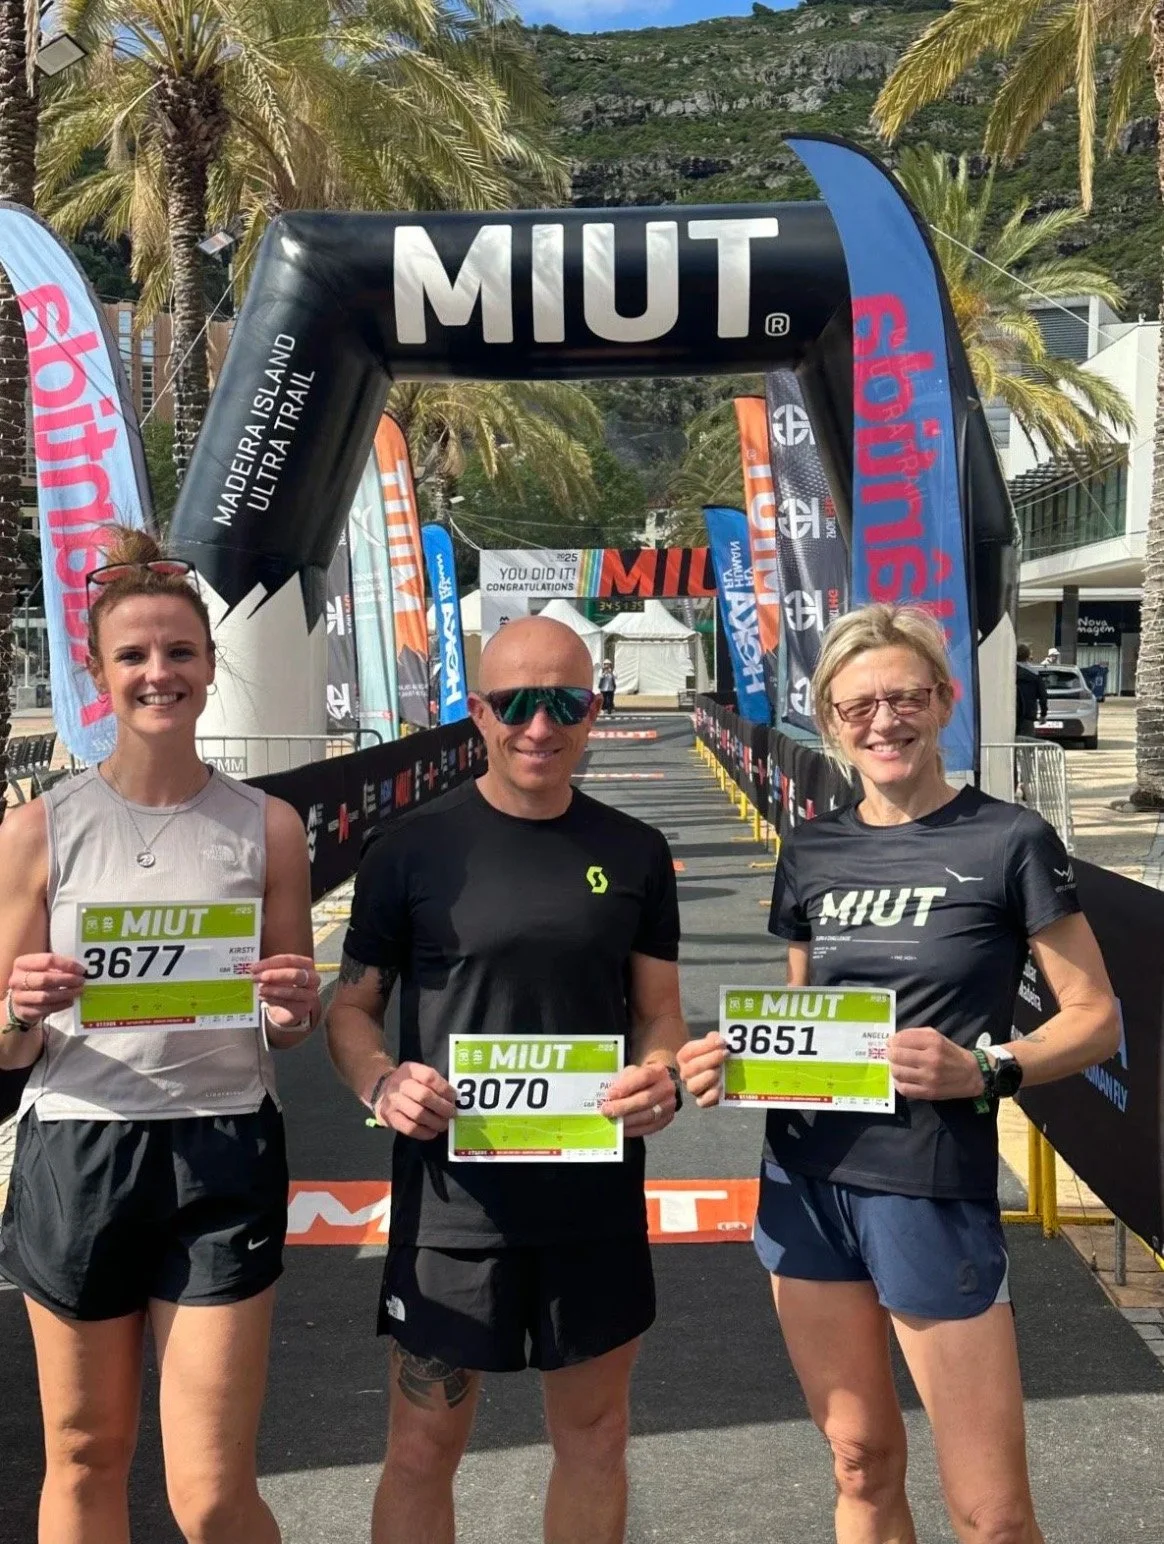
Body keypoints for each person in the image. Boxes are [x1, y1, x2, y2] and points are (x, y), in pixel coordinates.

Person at [678, 603, 1118, 1544]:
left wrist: (986, 1067)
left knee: (992, 1514)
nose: (884, 721)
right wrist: (737, 1061)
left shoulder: (1010, 840)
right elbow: (803, 1015)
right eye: (858, 706)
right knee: (859, 1463)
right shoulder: (813, 847)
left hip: (929, 1186)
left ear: (944, 700)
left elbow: (1095, 1018)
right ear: (830, 721)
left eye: (905, 698)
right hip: (805, 1183)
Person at [326, 615, 686, 1544]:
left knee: (597, 1439)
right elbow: (351, 1008)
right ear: (479, 713)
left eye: (563, 702)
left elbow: (659, 1013)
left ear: (594, 710)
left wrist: (659, 1074)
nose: (539, 725)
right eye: (516, 702)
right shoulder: (411, 849)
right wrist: (380, 1084)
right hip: (453, 1208)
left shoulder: (637, 851)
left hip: (592, 1200)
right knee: (421, 1448)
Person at [0, 528, 322, 1544]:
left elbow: (289, 1020)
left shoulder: (268, 826)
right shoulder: (39, 828)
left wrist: (291, 1007)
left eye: (180, 652)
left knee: (213, 1491)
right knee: (84, 1455)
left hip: (222, 1145)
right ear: (97, 672)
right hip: (78, 1148)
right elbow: (5, 1047)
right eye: (133, 654)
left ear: (211, 666)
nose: (158, 673)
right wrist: (18, 1006)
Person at [1015, 642, 1048, 740]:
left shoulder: (1009, 671)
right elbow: (1043, 696)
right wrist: (1043, 714)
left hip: (1010, 715)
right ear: (1028, 656)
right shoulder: (1034, 674)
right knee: (1027, 744)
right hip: (1027, 715)